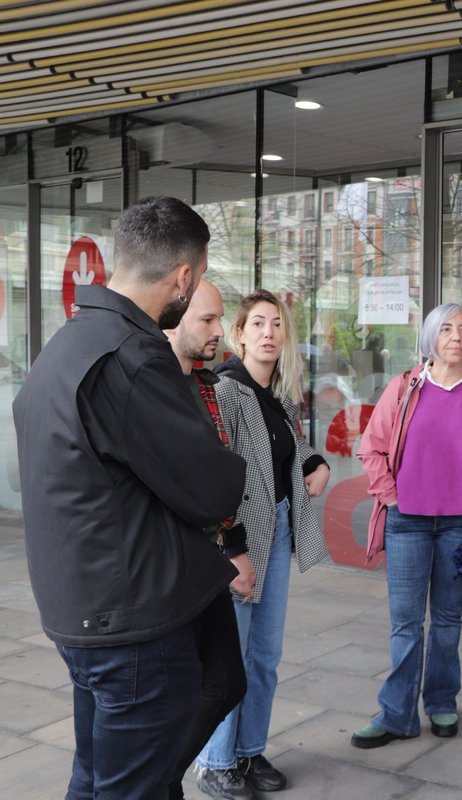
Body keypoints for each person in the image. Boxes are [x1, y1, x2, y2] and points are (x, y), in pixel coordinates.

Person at [13, 196, 246, 800]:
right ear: (184, 278)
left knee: (98, 780)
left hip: (86, 611)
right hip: (133, 625)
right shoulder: (133, 358)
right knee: (126, 787)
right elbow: (213, 489)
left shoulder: (65, 345)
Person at [351, 302, 462, 747]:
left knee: (447, 620)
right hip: (406, 522)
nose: (456, 337)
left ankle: (442, 702)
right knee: (405, 623)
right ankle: (396, 714)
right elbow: (370, 447)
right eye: (446, 329)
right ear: (432, 337)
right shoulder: (405, 387)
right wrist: (391, 496)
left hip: (461, 524)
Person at [195, 289, 330, 800]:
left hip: (275, 527)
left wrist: (314, 461)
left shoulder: (280, 392)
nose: (268, 333)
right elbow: (216, 471)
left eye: (276, 324)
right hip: (240, 537)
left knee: (265, 654)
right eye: (257, 323)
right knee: (233, 654)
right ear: (239, 333)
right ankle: (215, 762)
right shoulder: (226, 389)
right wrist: (232, 547)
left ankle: (249, 751)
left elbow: (288, 441)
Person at [164, 279, 255, 800]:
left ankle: (160, 775)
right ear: (174, 315)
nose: (220, 331)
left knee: (227, 680)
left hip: (205, 561)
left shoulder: (203, 384)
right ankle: (159, 778)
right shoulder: (153, 387)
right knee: (190, 688)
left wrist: (233, 546)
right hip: (169, 570)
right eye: (208, 320)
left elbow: (217, 473)